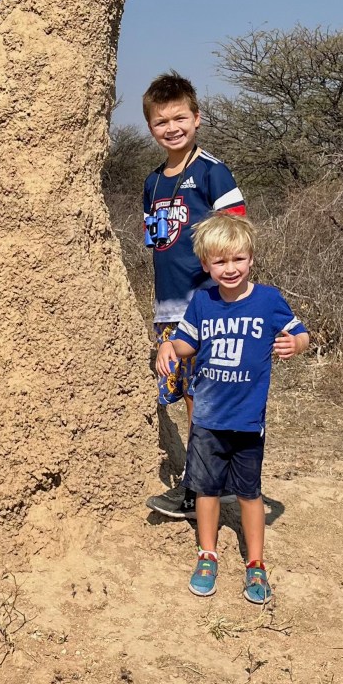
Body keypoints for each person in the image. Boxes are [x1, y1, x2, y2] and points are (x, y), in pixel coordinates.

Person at [156, 213, 308, 603]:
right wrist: (168, 345)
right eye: (220, 261)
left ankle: (255, 563)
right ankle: (207, 555)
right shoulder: (202, 302)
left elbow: (300, 333)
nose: (230, 268)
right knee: (205, 491)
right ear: (206, 264)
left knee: (249, 493)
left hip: (247, 420)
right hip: (208, 418)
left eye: (238, 259)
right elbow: (188, 343)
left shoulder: (268, 300)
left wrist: (296, 344)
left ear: (251, 258)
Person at [142, 71, 246, 520]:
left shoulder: (211, 171)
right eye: (161, 121)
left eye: (180, 118)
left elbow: (237, 232)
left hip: (207, 304)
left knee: (206, 395)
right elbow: (157, 242)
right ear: (151, 127)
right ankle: (211, 480)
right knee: (188, 395)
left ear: (197, 118)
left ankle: (200, 485)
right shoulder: (152, 182)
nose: (172, 128)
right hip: (168, 307)